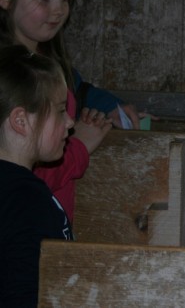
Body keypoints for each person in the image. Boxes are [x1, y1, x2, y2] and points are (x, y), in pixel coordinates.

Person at [0, 0, 141, 221]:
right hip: (22, 227)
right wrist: (79, 147)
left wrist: (110, 107)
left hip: (50, 223)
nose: (59, 9)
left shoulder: (47, 60)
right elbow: (21, 174)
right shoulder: (9, 78)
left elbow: (78, 88)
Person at [0, 45, 78, 307]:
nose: (70, 122)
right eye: (59, 110)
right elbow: (26, 294)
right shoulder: (26, 200)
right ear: (21, 121)